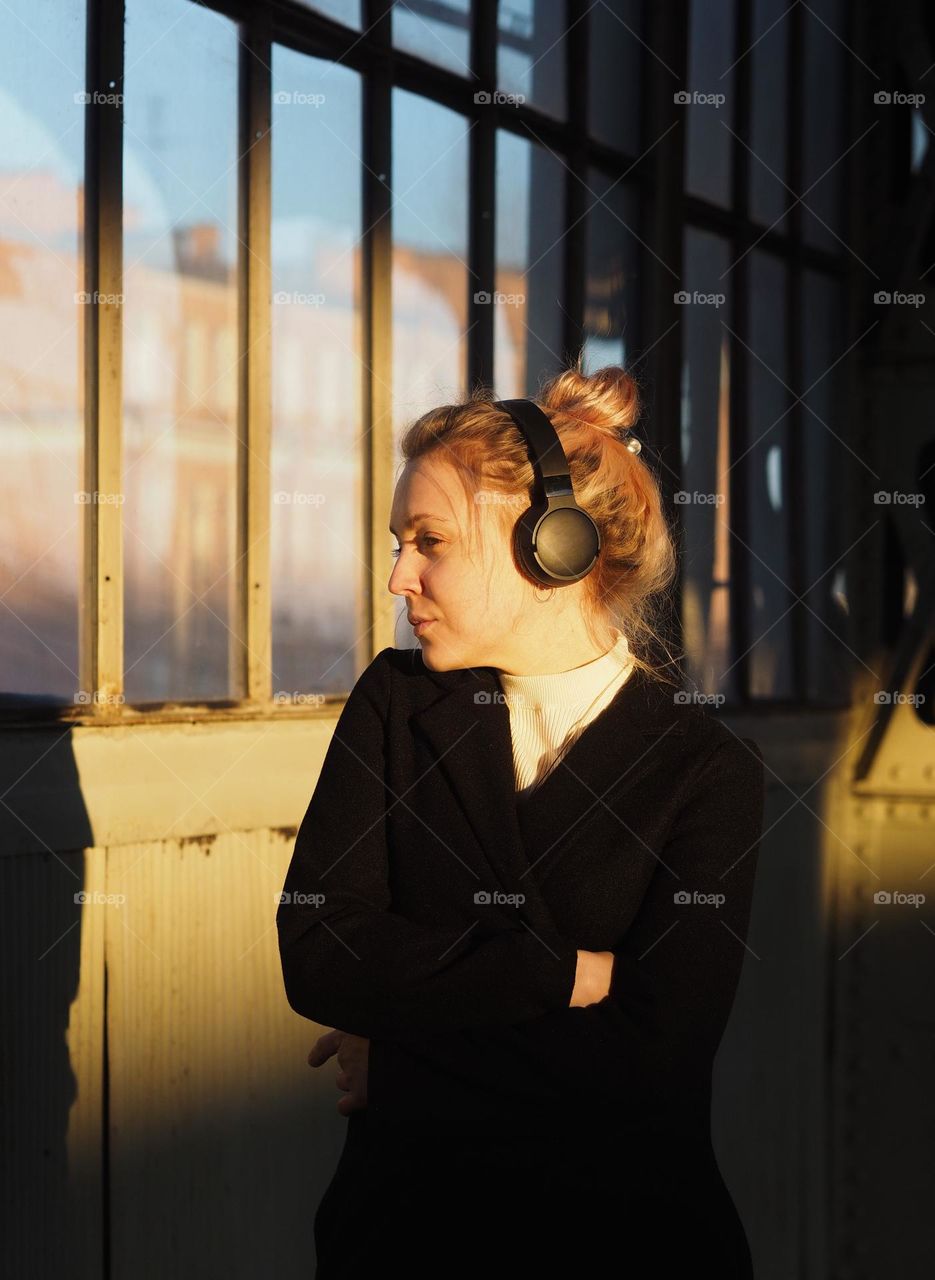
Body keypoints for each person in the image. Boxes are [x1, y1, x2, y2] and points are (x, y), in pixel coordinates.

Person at [276, 363, 766, 1278]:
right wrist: (563, 974)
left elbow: (654, 1062)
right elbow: (318, 948)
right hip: (401, 1242)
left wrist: (402, 1068)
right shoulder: (396, 704)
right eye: (398, 544)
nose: (397, 576)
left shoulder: (704, 770)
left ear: (554, 546)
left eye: (429, 541)